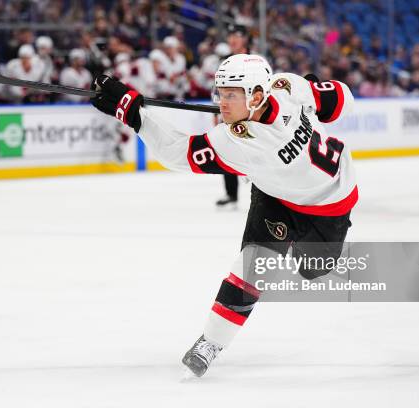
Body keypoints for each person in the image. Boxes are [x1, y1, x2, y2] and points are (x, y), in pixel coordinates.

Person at [90, 54, 357, 377]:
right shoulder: (287, 87)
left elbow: (177, 153)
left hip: (330, 204)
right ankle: (211, 342)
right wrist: (311, 92)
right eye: (221, 92)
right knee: (254, 266)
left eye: (231, 95)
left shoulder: (242, 143)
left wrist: (133, 113)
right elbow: (345, 100)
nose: (221, 103)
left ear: (257, 95)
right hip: (277, 195)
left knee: (313, 270)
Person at [216, 24, 251, 209]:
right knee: (226, 150)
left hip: (252, 112)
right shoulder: (225, 61)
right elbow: (218, 88)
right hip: (231, 111)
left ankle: (269, 195)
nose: (232, 39)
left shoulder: (255, 60)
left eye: (236, 35)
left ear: (245, 38)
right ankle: (231, 194)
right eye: (230, 35)